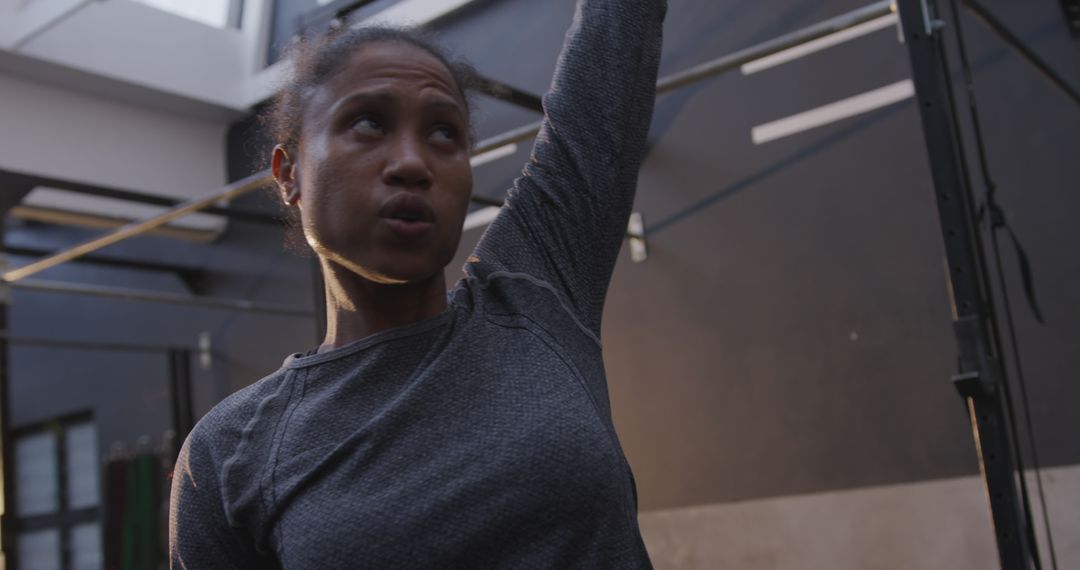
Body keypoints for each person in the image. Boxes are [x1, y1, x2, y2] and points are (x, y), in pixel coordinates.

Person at [169, 0, 666, 567]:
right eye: (369, 123)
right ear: (289, 174)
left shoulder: (534, 296)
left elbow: (616, 32)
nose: (411, 162)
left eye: (443, 133)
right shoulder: (230, 453)